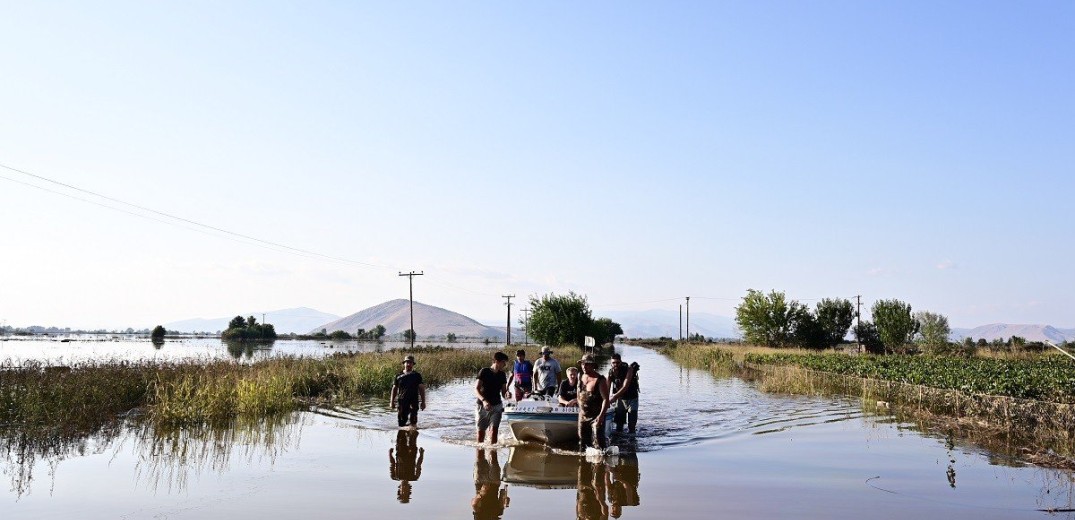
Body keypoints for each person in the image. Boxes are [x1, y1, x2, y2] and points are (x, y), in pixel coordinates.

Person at [474, 351, 510, 444]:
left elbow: (503, 392)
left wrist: (507, 394)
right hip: (482, 406)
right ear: (497, 361)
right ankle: (480, 456)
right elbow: (476, 389)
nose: (505, 364)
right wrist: (484, 401)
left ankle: (493, 455)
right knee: (480, 436)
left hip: (497, 406)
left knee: (494, 432)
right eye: (503, 362)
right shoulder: (484, 371)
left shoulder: (502, 375)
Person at [577, 354, 610, 451]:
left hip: (596, 417)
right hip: (583, 417)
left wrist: (601, 416)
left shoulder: (600, 380)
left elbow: (606, 399)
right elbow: (578, 395)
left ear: (592, 366)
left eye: (586, 364)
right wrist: (581, 408)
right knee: (583, 444)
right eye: (582, 364)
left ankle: (602, 463)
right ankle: (584, 464)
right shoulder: (580, 377)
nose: (584, 366)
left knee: (600, 446)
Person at [471, 448, 509, 519]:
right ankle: (492, 440)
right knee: (494, 458)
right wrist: (505, 498)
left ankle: (482, 439)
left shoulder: (479, 517)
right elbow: (502, 492)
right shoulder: (499, 512)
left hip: (480, 482)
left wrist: (481, 494)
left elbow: (474, 504)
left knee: (480, 456)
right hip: (494, 483)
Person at [388, 429, 424, 503]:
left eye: (402, 491)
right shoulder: (415, 477)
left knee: (401, 433)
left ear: (399, 489)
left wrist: (390, 454)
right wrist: (421, 454)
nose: (404, 488)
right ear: (409, 490)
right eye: (406, 491)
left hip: (400, 453)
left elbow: (392, 464)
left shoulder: (395, 476)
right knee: (413, 434)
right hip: (412, 454)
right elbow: (418, 465)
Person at [391, 355, 426, 428]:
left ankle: (413, 437)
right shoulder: (398, 376)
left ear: (413, 364)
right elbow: (394, 388)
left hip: (413, 401)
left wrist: (423, 402)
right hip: (402, 402)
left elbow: (421, 388)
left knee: (413, 422)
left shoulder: (417, 375)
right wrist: (392, 402)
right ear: (404, 363)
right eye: (407, 362)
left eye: (411, 363)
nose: (409, 364)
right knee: (401, 424)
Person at [607, 353, 639, 433]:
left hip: (632, 398)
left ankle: (632, 441)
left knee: (631, 425)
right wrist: (606, 401)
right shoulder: (610, 372)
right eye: (613, 363)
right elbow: (607, 388)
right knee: (619, 425)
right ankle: (619, 442)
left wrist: (614, 397)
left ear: (621, 362)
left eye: (617, 362)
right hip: (620, 399)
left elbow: (625, 386)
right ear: (611, 363)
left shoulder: (629, 369)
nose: (615, 365)